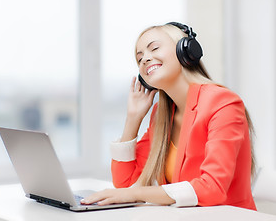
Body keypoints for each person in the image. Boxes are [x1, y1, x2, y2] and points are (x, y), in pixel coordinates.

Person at [81, 22, 257, 210]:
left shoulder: (222, 102)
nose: (145, 60)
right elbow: (125, 184)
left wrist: (134, 193)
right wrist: (133, 118)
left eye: (154, 48)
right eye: (139, 59)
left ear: (185, 51)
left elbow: (212, 187)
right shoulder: (161, 115)